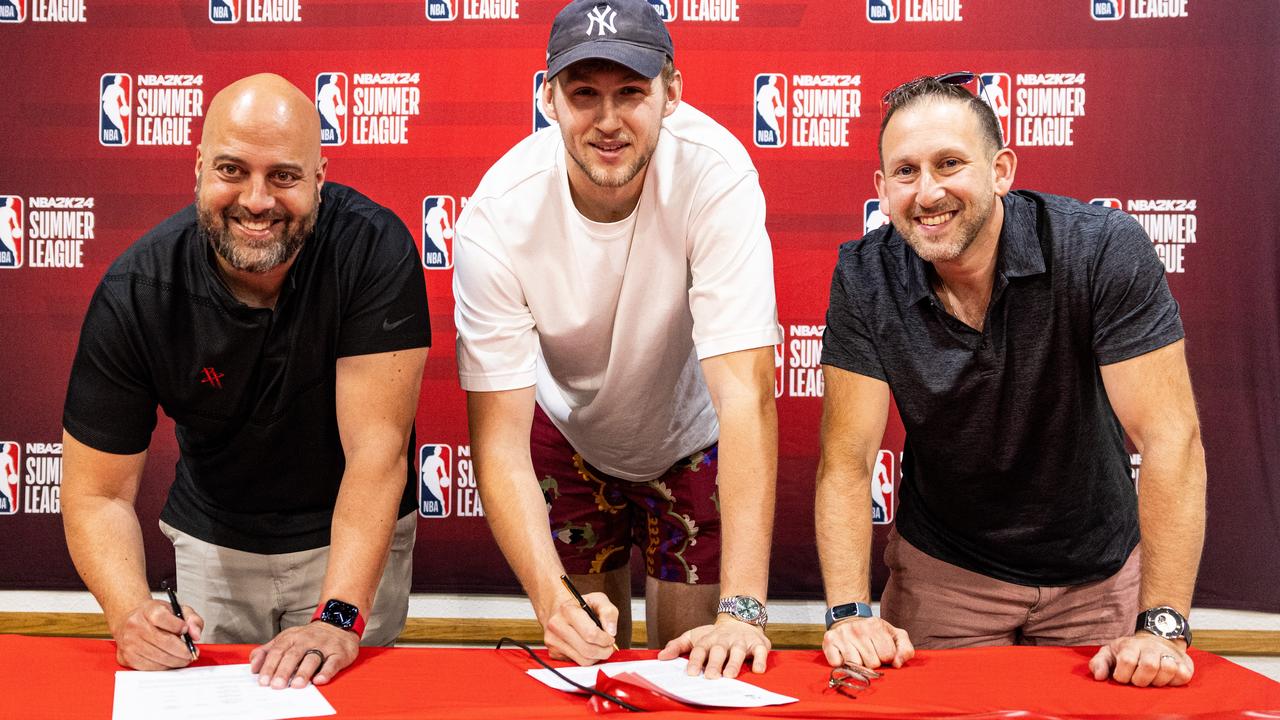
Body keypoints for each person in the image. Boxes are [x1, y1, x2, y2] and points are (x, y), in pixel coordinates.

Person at [815, 73, 1206, 689]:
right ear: (882, 189)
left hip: (1096, 574)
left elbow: (1170, 440)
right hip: (944, 574)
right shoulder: (865, 275)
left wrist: (1161, 624)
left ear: (1001, 170)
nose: (928, 192)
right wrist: (847, 612)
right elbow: (846, 460)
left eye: (950, 164)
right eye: (906, 172)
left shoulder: (1101, 249)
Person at [61, 73, 430, 689]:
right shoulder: (139, 290)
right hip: (216, 542)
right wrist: (128, 612)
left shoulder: (373, 249)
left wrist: (339, 616)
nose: (256, 200)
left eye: (283, 176)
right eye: (232, 170)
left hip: (351, 540)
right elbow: (97, 494)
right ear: (199, 168)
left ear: (319, 179)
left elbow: (378, 455)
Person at [453, 0, 780, 680]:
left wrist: (744, 606)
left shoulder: (716, 173)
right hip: (568, 437)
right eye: (584, 95)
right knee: (588, 658)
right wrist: (549, 600)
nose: (607, 121)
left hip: (688, 440)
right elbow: (499, 442)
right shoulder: (497, 214)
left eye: (631, 93)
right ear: (548, 99)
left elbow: (746, 393)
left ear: (672, 93)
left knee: (698, 670)